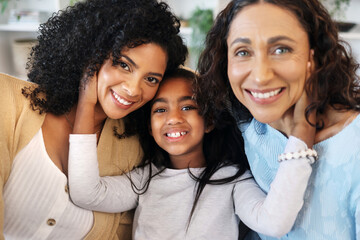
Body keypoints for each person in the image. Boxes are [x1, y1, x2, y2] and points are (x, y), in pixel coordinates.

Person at [0, 0, 188, 239]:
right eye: (123, 64)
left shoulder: (133, 151)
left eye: (151, 79)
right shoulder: (6, 100)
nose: (133, 89)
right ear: (91, 52)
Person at [68, 67, 317, 239]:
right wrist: (86, 104)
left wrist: (302, 134)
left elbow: (274, 223)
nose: (173, 118)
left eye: (188, 106)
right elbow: (86, 193)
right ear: (150, 128)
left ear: (209, 122)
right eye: (160, 110)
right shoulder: (145, 180)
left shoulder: (232, 179)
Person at [196, 0, 360, 239]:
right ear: (225, 62)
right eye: (243, 52)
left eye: (281, 49)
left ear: (315, 56)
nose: (261, 76)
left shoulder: (353, 146)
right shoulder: (244, 124)